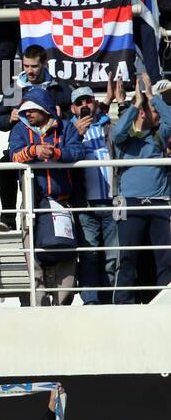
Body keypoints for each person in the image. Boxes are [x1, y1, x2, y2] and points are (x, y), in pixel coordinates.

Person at [9, 90, 83, 303]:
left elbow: (78, 152)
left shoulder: (66, 126)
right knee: (32, 252)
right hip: (33, 203)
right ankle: (38, 301)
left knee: (67, 254)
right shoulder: (19, 129)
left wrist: (55, 154)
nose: (28, 114)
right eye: (25, 110)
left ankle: (63, 303)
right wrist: (34, 150)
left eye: (33, 109)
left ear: (45, 109)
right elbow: (14, 155)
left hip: (62, 202)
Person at [0, 46, 72, 231]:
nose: (29, 71)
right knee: (4, 170)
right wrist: (9, 119)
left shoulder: (57, 88)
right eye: (26, 66)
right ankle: (8, 219)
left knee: (70, 168)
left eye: (34, 66)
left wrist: (62, 115)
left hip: (52, 146)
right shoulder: (15, 89)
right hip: (22, 146)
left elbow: (70, 114)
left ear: (43, 64)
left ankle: (67, 213)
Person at [111, 86, 171, 303]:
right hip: (126, 203)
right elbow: (117, 133)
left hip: (160, 203)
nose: (158, 114)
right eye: (154, 110)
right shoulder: (124, 138)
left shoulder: (160, 135)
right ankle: (122, 304)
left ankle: (164, 301)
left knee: (165, 258)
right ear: (143, 113)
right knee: (127, 258)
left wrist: (154, 99)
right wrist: (136, 104)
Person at [70, 88, 118, 304]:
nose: (84, 105)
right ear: (73, 108)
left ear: (95, 103)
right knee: (89, 256)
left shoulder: (110, 126)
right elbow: (64, 153)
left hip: (113, 202)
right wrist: (76, 134)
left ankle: (109, 301)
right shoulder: (67, 130)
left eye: (87, 100)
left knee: (113, 257)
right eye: (79, 102)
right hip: (85, 205)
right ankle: (91, 302)